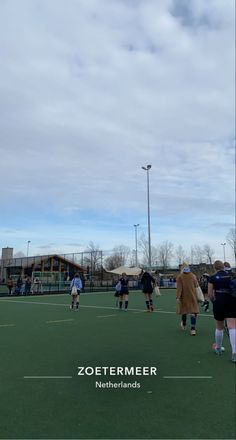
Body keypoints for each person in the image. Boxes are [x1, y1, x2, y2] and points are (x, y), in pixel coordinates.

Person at [208, 260, 236, 363]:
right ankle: (234, 353)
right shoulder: (231, 276)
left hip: (219, 302)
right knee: (232, 326)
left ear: (215, 267)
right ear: (223, 267)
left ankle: (218, 348)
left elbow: (210, 293)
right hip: (231, 301)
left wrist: (213, 301)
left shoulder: (213, 277)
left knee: (219, 326)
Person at [176, 263, 199, 335]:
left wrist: (178, 297)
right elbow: (196, 286)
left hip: (184, 296)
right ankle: (193, 329)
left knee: (184, 310)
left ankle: (184, 323)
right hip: (193, 296)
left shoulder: (180, 277)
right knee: (193, 312)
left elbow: (179, 288)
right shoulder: (193, 276)